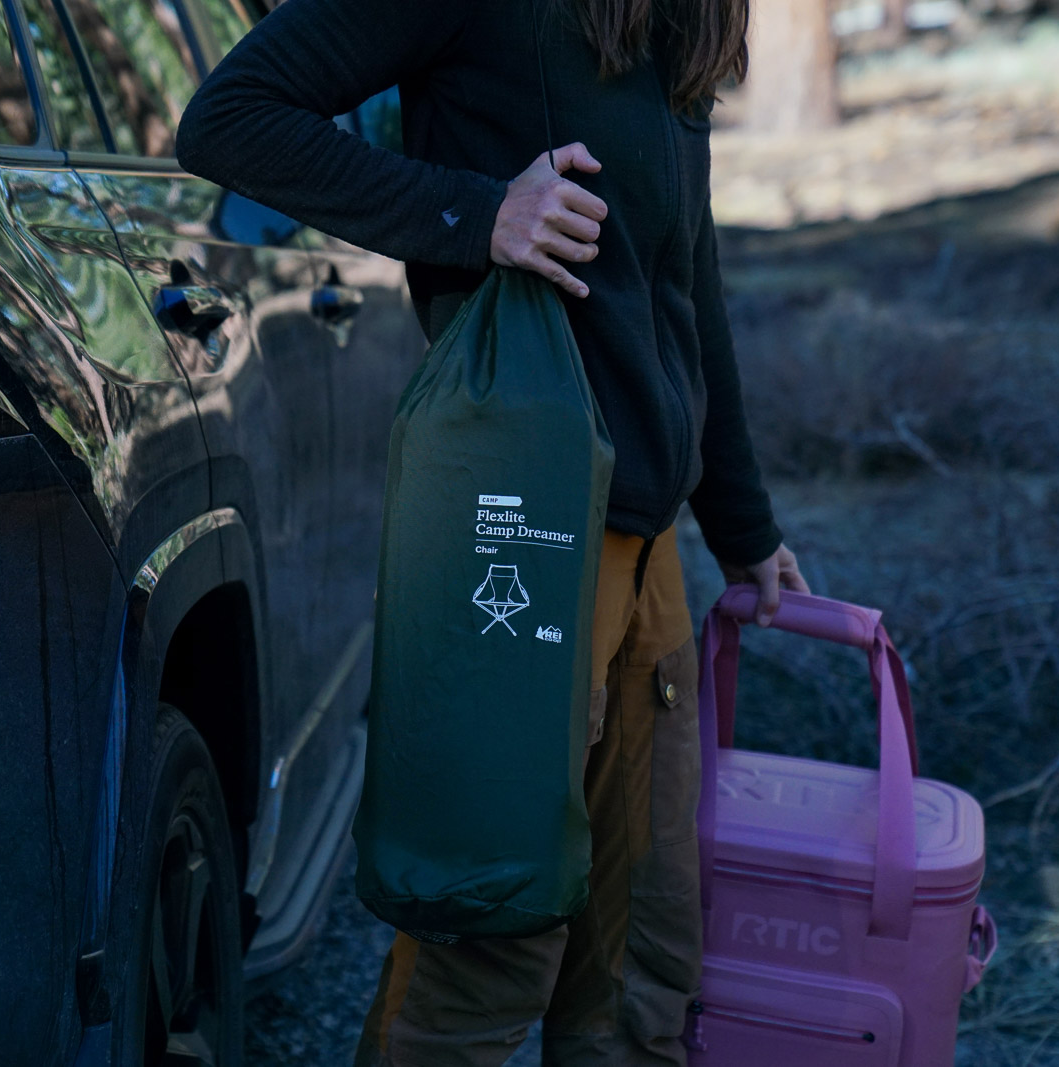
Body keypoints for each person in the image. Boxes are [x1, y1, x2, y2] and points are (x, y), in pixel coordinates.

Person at [177, 0, 809, 1062]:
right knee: (487, 942)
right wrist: (477, 217)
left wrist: (741, 521)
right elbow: (231, 119)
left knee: (637, 958)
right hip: (524, 533)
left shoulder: (678, 16)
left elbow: (685, 277)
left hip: (647, 554)